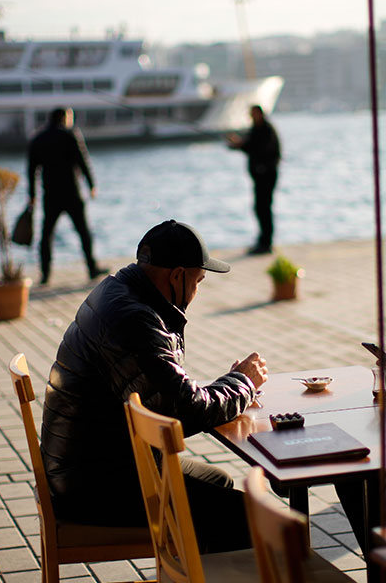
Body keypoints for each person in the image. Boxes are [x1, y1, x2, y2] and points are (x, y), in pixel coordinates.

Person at [39, 219, 268, 553]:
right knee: (247, 515)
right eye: (199, 280)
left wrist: (230, 385)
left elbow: (168, 393)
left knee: (218, 484)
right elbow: (183, 410)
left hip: (84, 466)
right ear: (177, 276)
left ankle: (192, 574)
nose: (197, 290)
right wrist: (244, 382)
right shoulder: (135, 319)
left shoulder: (118, 291)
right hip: (93, 486)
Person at [27, 107, 107, 285]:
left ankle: (45, 273)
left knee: (46, 235)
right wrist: (92, 185)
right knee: (83, 232)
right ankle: (92, 268)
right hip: (72, 193)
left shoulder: (38, 139)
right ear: (64, 118)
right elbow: (82, 161)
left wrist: (32, 195)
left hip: (50, 195)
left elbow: (31, 170)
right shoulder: (70, 135)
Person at [227, 105, 281, 255]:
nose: (251, 116)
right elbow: (249, 146)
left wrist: (240, 144)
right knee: (260, 208)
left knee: (264, 208)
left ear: (259, 114)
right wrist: (237, 144)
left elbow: (257, 148)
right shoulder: (256, 129)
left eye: (253, 114)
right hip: (259, 176)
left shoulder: (266, 130)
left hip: (267, 176)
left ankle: (266, 243)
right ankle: (263, 241)